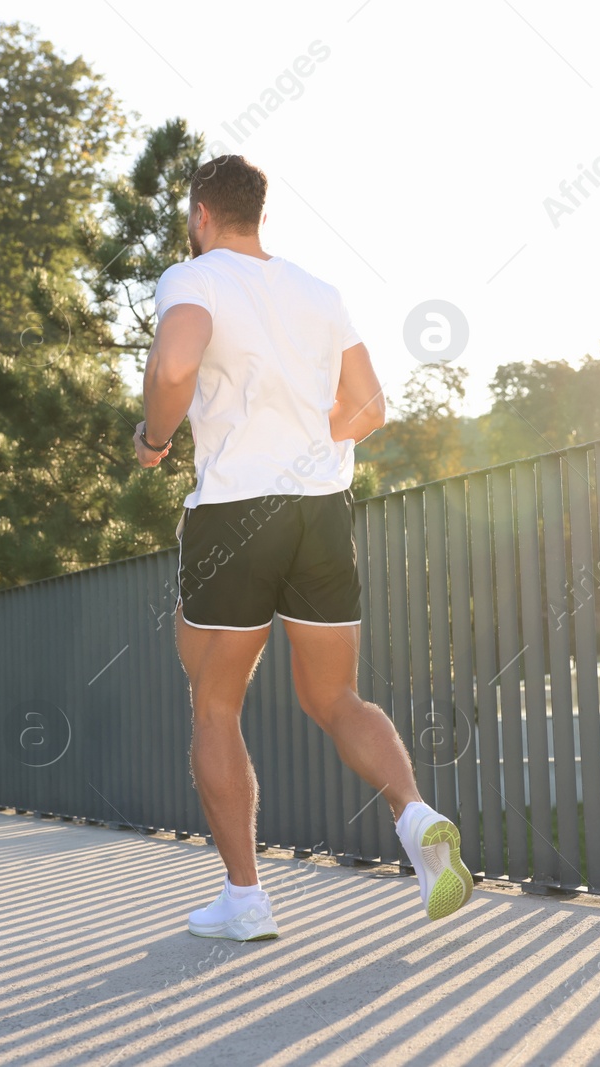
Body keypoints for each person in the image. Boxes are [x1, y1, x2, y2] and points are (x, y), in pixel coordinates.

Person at [133, 154, 473, 941]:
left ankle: (246, 900)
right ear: (259, 213)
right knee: (335, 698)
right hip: (321, 511)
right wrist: (304, 444)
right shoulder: (319, 292)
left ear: (201, 216)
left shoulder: (197, 276)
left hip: (234, 513)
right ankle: (416, 815)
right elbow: (370, 406)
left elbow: (175, 360)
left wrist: (155, 437)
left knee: (216, 705)